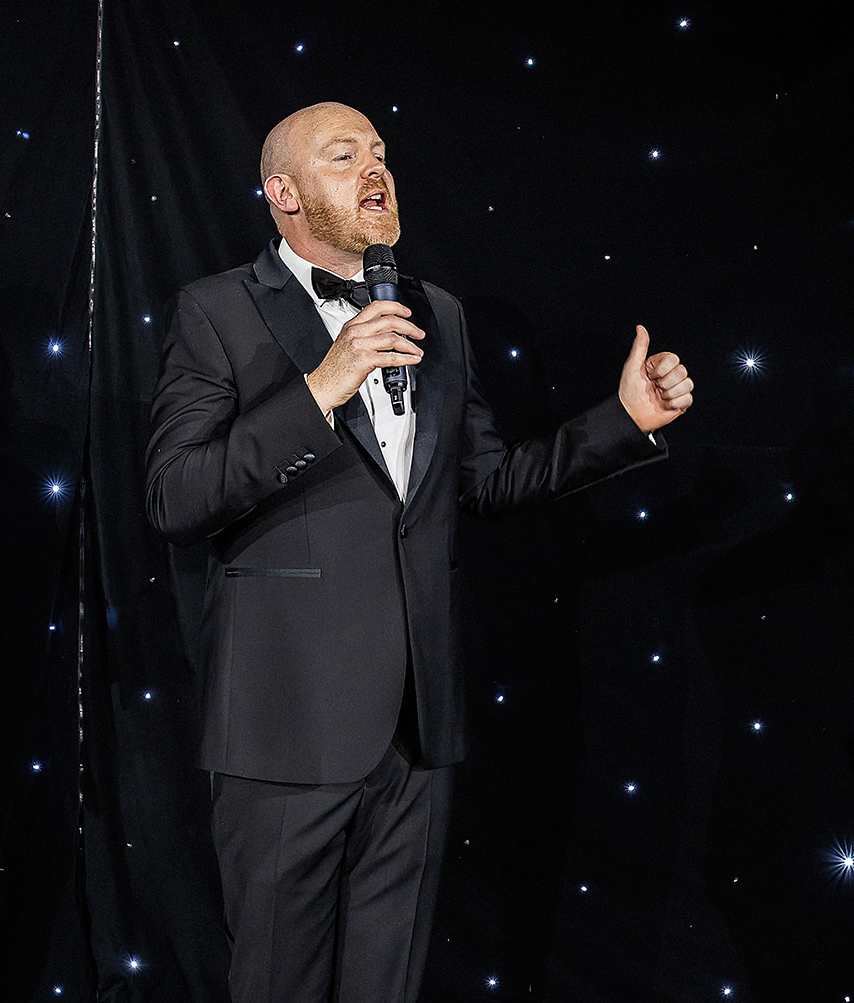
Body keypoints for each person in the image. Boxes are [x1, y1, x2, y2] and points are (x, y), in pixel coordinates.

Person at [144, 103, 693, 1001]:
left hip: (417, 729)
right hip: (287, 727)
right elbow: (176, 496)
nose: (376, 169)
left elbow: (487, 480)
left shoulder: (437, 311)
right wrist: (322, 387)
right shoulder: (217, 310)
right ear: (283, 193)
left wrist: (623, 423)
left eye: (381, 153)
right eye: (344, 155)